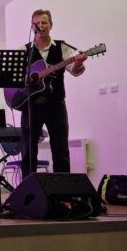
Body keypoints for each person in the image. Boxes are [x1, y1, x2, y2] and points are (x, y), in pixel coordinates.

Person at [20, 9, 87, 179]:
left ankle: (63, 195)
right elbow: (14, 77)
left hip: (56, 105)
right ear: (32, 26)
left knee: (60, 149)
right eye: (37, 23)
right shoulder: (23, 50)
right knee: (28, 150)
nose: (41, 26)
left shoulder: (62, 48)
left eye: (44, 22)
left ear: (51, 25)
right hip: (31, 105)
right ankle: (29, 193)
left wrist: (78, 63)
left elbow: (75, 70)